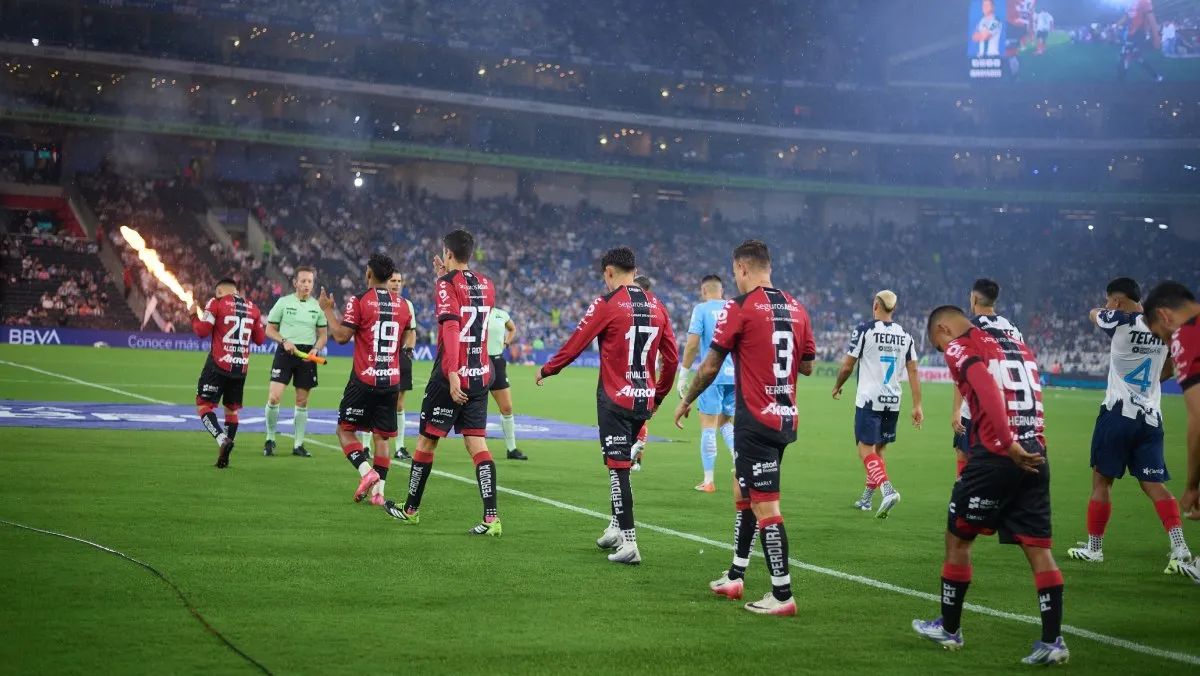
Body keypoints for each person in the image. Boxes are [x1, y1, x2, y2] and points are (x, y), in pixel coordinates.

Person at [914, 305, 1067, 665]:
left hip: (998, 454)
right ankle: (1053, 642)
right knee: (1038, 547)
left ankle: (949, 629)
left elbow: (986, 389)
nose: (943, 352)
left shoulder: (960, 346)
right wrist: (1026, 443)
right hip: (1035, 451)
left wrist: (1007, 444)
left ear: (943, 329)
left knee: (958, 537)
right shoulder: (1016, 346)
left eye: (938, 344)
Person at [675, 240, 816, 616]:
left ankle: (782, 595)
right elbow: (807, 366)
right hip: (785, 416)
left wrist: (687, 400)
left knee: (765, 505)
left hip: (756, 420)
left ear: (741, 269)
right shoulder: (797, 307)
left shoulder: (739, 308)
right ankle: (736, 575)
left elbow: (709, 366)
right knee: (743, 489)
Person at [537, 248, 678, 565]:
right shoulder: (658, 305)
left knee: (618, 469)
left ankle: (630, 543)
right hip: (643, 399)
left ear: (609, 272)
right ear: (635, 271)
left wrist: (548, 369)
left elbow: (577, 342)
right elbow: (671, 359)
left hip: (615, 398)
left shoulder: (607, 303)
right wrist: (658, 396)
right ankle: (616, 527)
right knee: (622, 465)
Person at [1066, 279, 1197, 578]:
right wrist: (1152, 382)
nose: (1107, 305)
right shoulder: (1164, 329)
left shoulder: (1121, 321)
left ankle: (1094, 548)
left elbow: (1093, 314)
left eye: (1109, 300)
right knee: (1154, 484)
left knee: (1102, 482)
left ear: (1118, 301)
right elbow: (1171, 366)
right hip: (1150, 417)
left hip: (1117, 414)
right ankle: (1179, 547)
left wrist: (1105, 310)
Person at [384, 230, 503, 536]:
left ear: (447, 253)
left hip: (452, 376)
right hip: (480, 374)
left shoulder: (446, 284)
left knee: (426, 442)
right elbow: (468, 302)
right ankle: (492, 519)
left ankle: (411, 510)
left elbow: (451, 327)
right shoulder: (487, 284)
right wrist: (445, 277)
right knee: (477, 444)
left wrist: (451, 373)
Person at [319, 254, 412, 506]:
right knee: (383, 437)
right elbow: (405, 339)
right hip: (391, 381)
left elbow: (341, 337)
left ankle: (366, 471)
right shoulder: (404, 305)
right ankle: (378, 494)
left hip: (364, 380)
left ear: (368, 274)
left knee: (344, 429)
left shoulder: (359, 300)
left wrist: (327, 310)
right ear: (390, 277)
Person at [831, 290, 923, 518]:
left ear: (875, 306)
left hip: (869, 399)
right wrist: (917, 405)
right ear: (894, 309)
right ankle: (866, 499)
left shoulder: (865, 330)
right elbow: (913, 370)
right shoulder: (906, 335)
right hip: (893, 401)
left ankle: (887, 490)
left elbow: (847, 366)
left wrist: (838, 385)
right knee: (880, 450)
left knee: (865, 450)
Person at [190, 278, 265, 469]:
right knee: (231, 410)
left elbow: (202, 331)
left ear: (220, 291)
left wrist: (193, 315)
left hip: (218, 364)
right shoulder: (253, 308)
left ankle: (221, 438)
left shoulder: (216, 302)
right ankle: (224, 457)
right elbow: (260, 339)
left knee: (203, 404)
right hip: (241, 368)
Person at [952, 279, 1024, 477]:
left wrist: (956, 410)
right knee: (1000, 458)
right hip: (1009, 407)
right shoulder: (1013, 329)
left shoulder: (967, 329)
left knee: (964, 454)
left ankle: (966, 494)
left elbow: (961, 371)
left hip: (976, 408)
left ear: (974, 299)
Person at [1142, 281, 1200, 522]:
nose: (1167, 344)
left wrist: (1192, 484)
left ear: (1164, 315)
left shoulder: (1187, 334)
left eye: (1160, 335)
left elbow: (1199, 417)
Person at [677, 274, 737, 492]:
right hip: (735, 376)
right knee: (726, 423)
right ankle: (739, 461)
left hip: (712, 375)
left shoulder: (701, 309)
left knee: (708, 426)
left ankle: (709, 481)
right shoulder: (734, 308)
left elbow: (692, 344)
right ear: (722, 290)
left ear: (704, 291)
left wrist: (683, 375)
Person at [263, 266, 328, 458]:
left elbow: (323, 336)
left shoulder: (317, 307)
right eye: (303, 281)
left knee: (302, 401)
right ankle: (270, 439)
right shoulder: (283, 303)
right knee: (274, 398)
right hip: (285, 353)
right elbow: (269, 330)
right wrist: (284, 341)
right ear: (295, 283)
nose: (307, 285)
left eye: (310, 281)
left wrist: (315, 349)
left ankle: (298, 444)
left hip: (307, 356)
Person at [356, 270, 416, 461]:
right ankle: (366, 446)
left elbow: (411, 331)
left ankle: (399, 447)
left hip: (399, 357)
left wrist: (408, 351)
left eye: (399, 281)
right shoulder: (373, 302)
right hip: (376, 356)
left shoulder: (407, 304)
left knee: (399, 404)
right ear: (386, 282)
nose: (396, 284)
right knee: (370, 400)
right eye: (393, 280)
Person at [487, 305, 527, 460]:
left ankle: (511, 449)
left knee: (507, 407)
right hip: (476, 361)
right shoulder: (474, 310)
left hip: (496, 362)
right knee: (469, 407)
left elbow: (512, 329)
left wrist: (506, 343)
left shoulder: (501, 314)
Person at [629, 274, 654, 470]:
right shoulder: (657, 310)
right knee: (641, 415)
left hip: (630, 370)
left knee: (627, 415)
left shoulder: (631, 310)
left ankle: (629, 453)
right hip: (648, 373)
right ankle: (637, 460)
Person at [1116, 0, 1163, 82]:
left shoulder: (1143, 3)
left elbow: (1150, 19)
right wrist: (1118, 24)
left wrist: (1155, 36)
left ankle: (1121, 78)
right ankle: (1155, 76)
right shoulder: (1129, 5)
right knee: (1134, 57)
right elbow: (1126, 17)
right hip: (1131, 35)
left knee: (1128, 56)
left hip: (1138, 35)